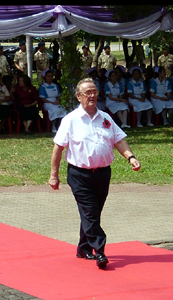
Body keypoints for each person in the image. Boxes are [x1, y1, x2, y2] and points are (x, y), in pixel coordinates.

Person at [48, 78, 141, 269]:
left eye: (94, 92)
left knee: (93, 213)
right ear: (79, 96)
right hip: (79, 175)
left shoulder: (105, 118)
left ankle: (83, 247)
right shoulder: (70, 120)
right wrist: (53, 175)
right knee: (90, 212)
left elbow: (119, 140)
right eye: (87, 92)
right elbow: (58, 149)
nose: (92, 96)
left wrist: (130, 157)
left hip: (102, 174)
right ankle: (99, 250)